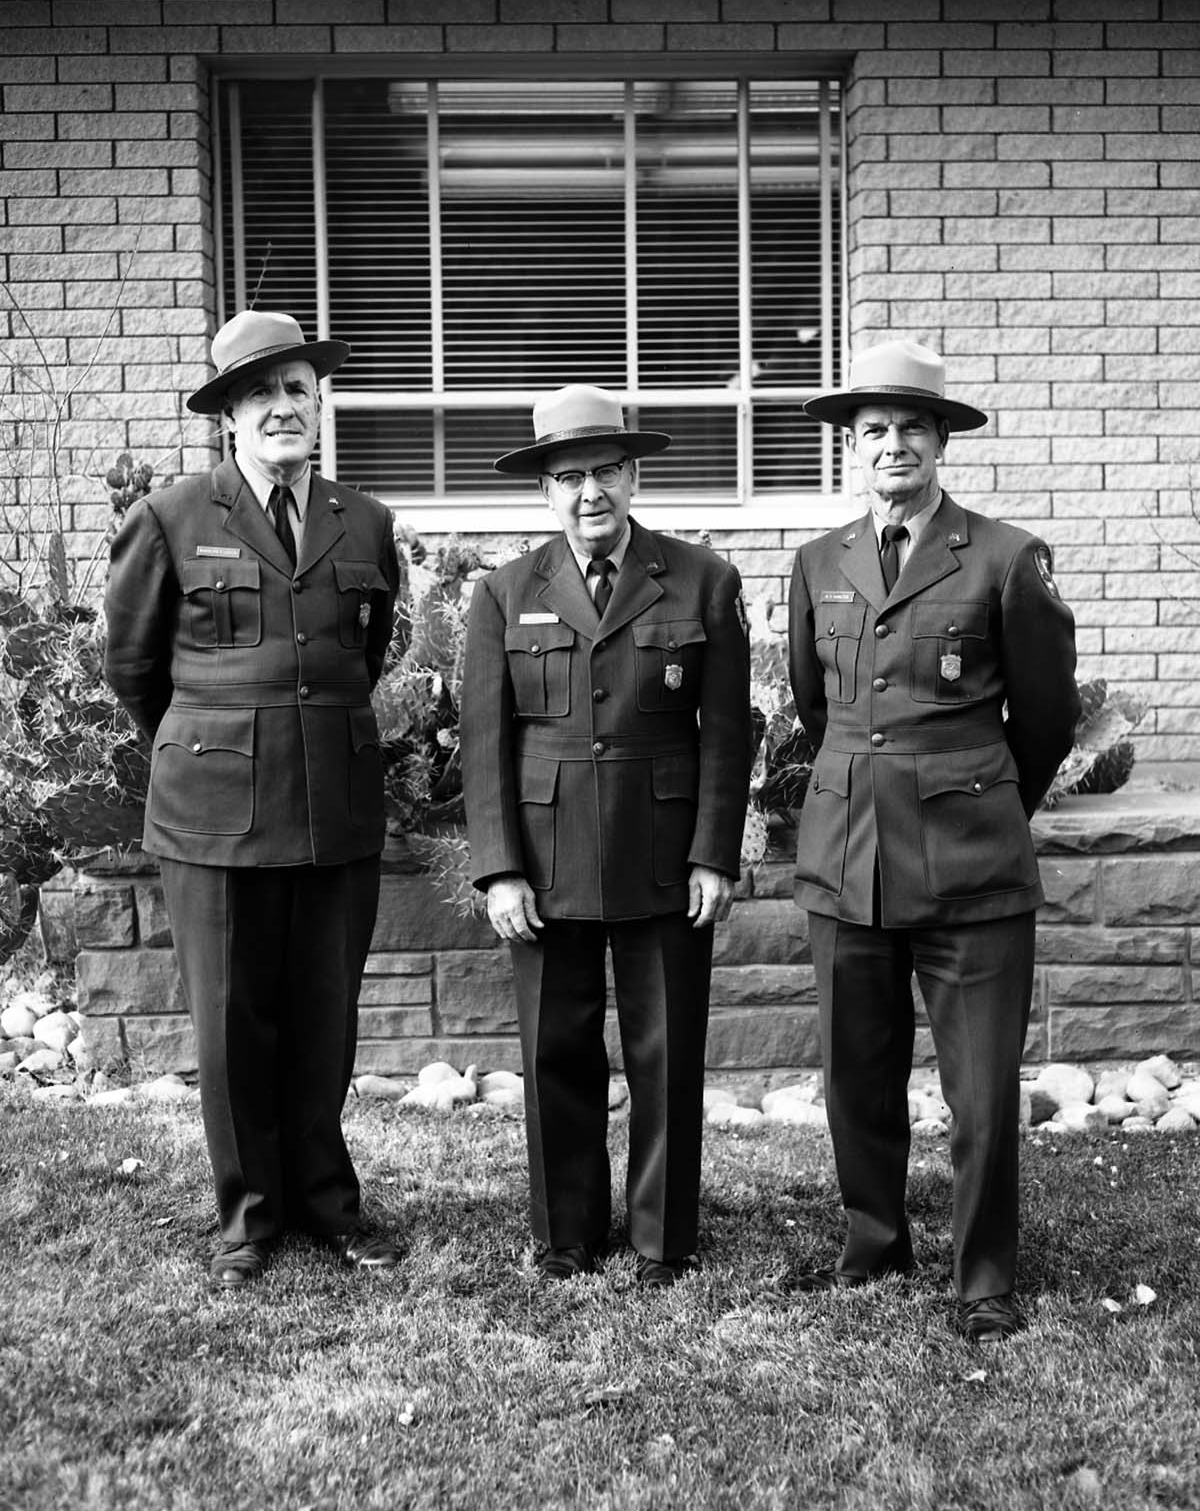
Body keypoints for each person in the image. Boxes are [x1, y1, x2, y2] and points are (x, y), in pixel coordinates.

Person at [786, 340, 1080, 1342]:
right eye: (874, 429)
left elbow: (1046, 720)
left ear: (942, 440)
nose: (894, 444)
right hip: (849, 856)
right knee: (856, 1074)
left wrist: (981, 802)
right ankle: (874, 1245)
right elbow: (816, 706)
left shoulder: (1004, 556)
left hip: (970, 861)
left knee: (982, 1089)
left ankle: (984, 1275)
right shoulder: (818, 562)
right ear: (851, 447)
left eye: (914, 425)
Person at [104, 309, 403, 1289]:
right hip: (215, 809)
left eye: (297, 389)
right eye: (261, 392)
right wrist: (215, 740)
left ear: (318, 405)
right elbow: (134, 667)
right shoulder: (172, 517)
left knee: (325, 1012)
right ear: (227, 413)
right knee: (233, 1021)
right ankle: (249, 1214)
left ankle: (327, 1201)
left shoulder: (366, 521)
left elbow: (362, 651)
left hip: (333, 800)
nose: (283, 406)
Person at [460, 384, 753, 1288]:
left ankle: (663, 1236)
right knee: (556, 1050)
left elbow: (725, 733)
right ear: (544, 490)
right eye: (568, 477)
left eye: (605, 472)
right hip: (545, 861)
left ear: (633, 477)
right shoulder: (505, 593)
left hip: (662, 852)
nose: (589, 492)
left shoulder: (702, 580)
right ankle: (567, 1232)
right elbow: (484, 741)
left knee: (666, 1050)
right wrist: (499, 869)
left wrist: (713, 852)